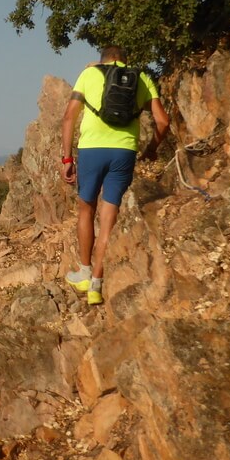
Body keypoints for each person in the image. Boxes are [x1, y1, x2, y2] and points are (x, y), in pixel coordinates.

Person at [60, 45, 169, 305]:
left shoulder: (89, 75)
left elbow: (68, 118)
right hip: (124, 151)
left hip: (91, 150)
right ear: (124, 60)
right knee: (109, 217)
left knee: (86, 209)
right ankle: (96, 285)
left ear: (102, 61)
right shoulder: (142, 78)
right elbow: (163, 122)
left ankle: (84, 272)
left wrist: (66, 158)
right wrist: (151, 149)